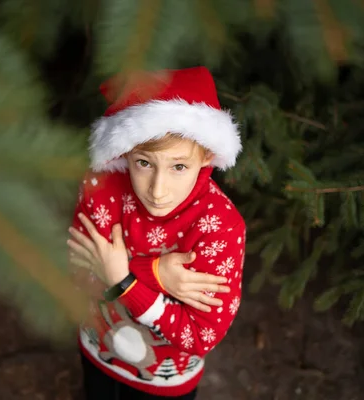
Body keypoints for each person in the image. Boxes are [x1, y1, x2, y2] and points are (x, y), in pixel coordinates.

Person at [67, 66, 246, 399]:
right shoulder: (101, 187)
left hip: (164, 379)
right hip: (97, 347)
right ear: (125, 152)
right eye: (144, 163)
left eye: (179, 166)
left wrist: (123, 278)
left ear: (206, 155)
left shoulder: (220, 227)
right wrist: (153, 273)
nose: (158, 190)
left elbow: (200, 335)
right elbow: (78, 276)